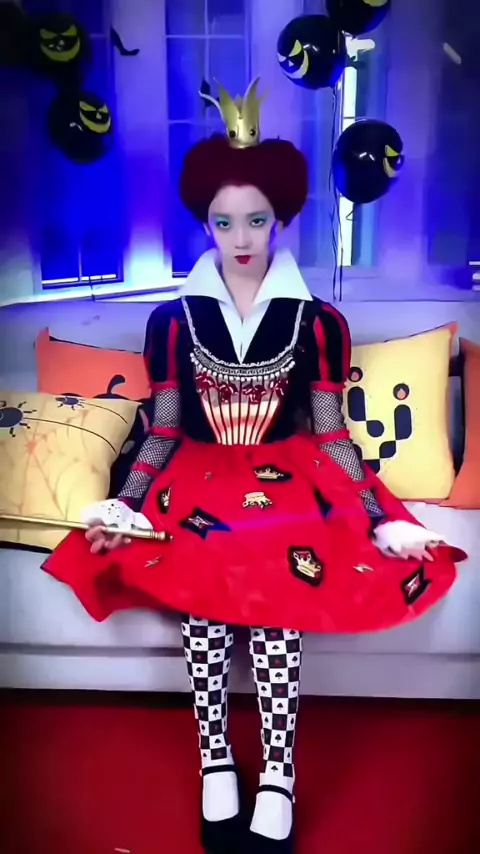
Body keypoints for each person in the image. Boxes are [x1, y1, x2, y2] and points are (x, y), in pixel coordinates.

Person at [43, 79, 466, 854]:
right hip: (195, 476)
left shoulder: (318, 322)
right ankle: (215, 760)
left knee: (279, 583)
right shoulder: (172, 322)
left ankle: (278, 771)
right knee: (202, 584)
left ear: (283, 217)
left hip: (286, 474)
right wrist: (127, 500)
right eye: (224, 220)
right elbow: (163, 429)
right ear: (205, 221)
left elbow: (331, 432)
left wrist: (379, 516)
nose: (241, 237)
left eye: (258, 219)